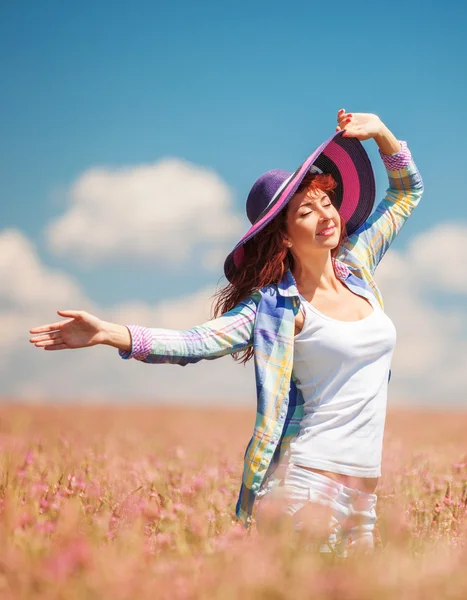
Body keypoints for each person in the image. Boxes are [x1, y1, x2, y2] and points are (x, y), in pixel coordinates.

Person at [30, 109, 424, 556]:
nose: (325, 216)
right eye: (306, 211)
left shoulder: (357, 267)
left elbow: (407, 193)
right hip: (308, 487)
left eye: (326, 202)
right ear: (286, 237)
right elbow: (195, 342)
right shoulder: (274, 307)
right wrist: (109, 332)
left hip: (363, 497)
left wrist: (381, 134)